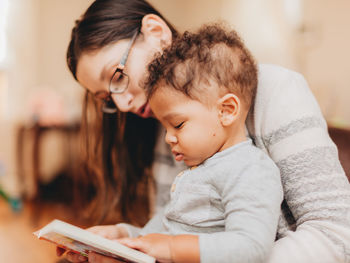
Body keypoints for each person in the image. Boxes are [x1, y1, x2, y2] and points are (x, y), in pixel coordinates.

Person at [58, 0, 350, 262]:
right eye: (107, 98)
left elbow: (337, 234)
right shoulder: (166, 127)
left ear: (156, 31)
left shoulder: (277, 92)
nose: (122, 105)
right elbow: (181, 228)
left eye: (117, 76)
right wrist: (127, 240)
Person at [113, 25, 283, 263]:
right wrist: (129, 241)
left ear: (227, 111)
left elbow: (252, 247)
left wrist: (172, 248)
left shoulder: (251, 169)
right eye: (165, 128)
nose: (167, 138)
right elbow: (166, 225)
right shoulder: (198, 171)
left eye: (178, 124)